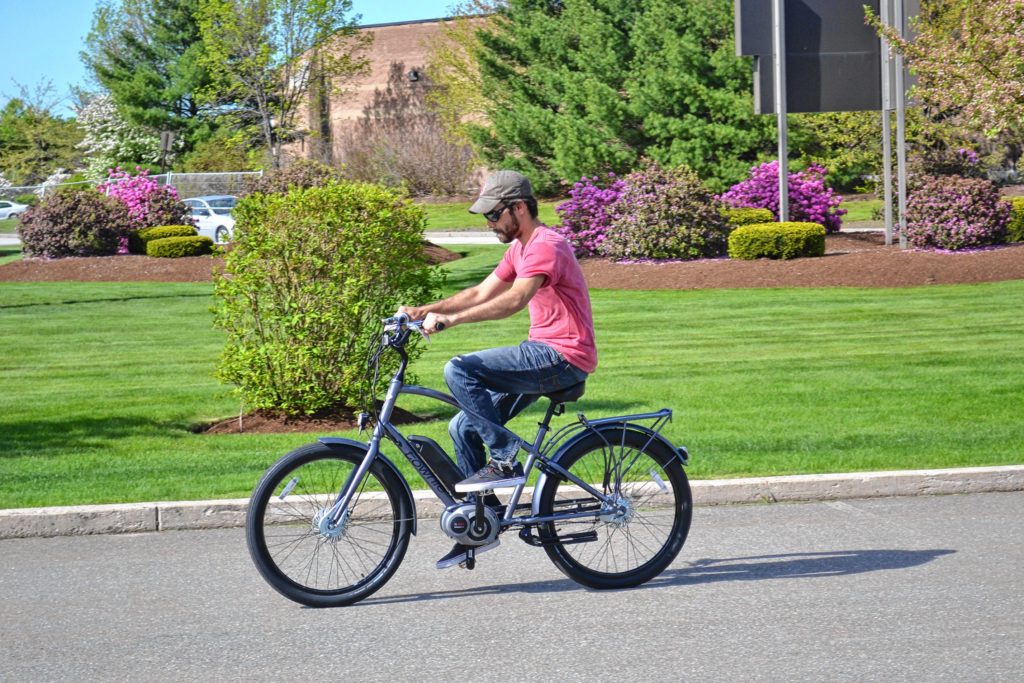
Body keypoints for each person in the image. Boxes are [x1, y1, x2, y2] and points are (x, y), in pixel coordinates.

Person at [399, 169, 598, 568]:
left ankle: (504, 456)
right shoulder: (519, 249)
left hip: (562, 355)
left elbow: (513, 301)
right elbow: (480, 292)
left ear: (518, 208)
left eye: (494, 216)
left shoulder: (546, 245)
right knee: (461, 427)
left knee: (459, 370)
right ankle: (481, 523)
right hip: (542, 352)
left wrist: (451, 322)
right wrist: (424, 311)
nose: (490, 224)